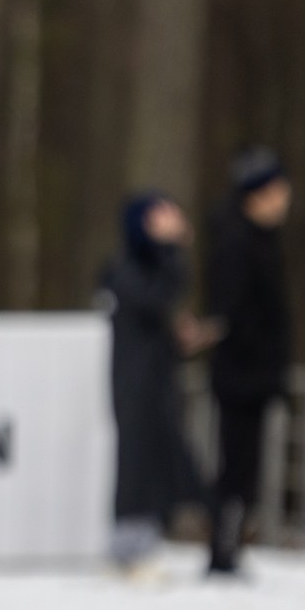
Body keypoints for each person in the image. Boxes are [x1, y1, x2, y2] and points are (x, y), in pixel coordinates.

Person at [100, 192, 209, 574]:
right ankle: (129, 547)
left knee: (160, 459)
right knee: (138, 462)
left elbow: (159, 313)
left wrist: (179, 339)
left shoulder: (144, 268)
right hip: (136, 383)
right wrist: (173, 247)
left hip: (154, 380)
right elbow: (158, 298)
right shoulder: (129, 269)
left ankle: (144, 539)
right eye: (161, 214)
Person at [202, 148, 293, 576]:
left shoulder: (260, 240)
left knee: (246, 466)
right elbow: (234, 312)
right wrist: (258, 356)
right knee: (236, 465)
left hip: (254, 371)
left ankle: (231, 546)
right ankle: (223, 548)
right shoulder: (237, 244)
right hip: (240, 372)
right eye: (276, 189)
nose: (285, 197)